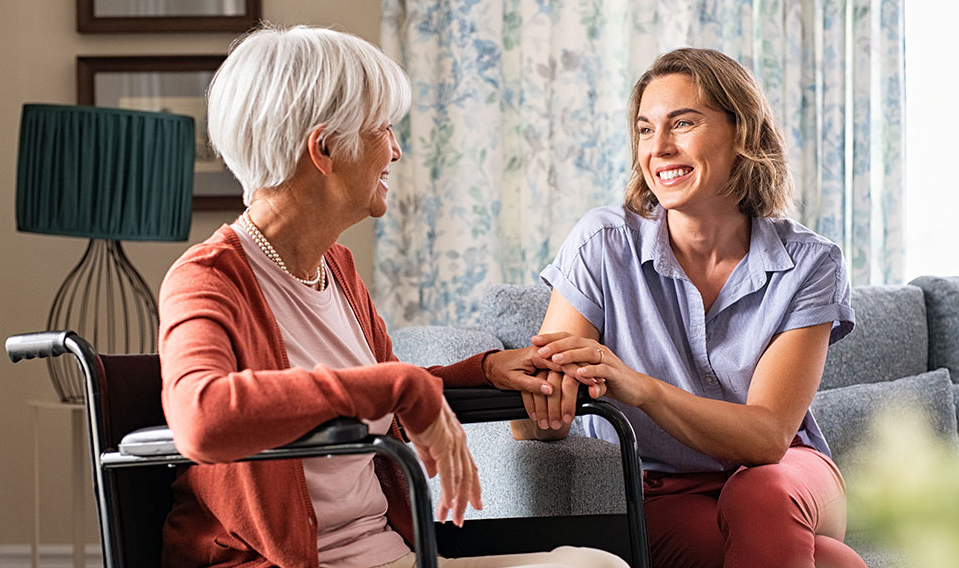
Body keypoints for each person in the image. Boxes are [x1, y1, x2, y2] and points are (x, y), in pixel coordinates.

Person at [158, 24, 627, 568]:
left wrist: (488, 368)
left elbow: (378, 393)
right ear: (326, 148)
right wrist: (395, 382)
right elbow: (202, 420)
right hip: (279, 562)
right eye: (382, 129)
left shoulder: (336, 268)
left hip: (391, 555)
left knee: (594, 563)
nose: (397, 150)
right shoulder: (209, 278)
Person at [514, 48, 867, 568]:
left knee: (760, 492)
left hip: (790, 472)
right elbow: (537, 419)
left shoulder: (810, 263)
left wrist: (642, 388)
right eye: (644, 130)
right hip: (664, 488)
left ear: (742, 132)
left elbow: (768, 437)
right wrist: (547, 400)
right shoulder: (602, 245)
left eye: (683, 123)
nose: (659, 147)